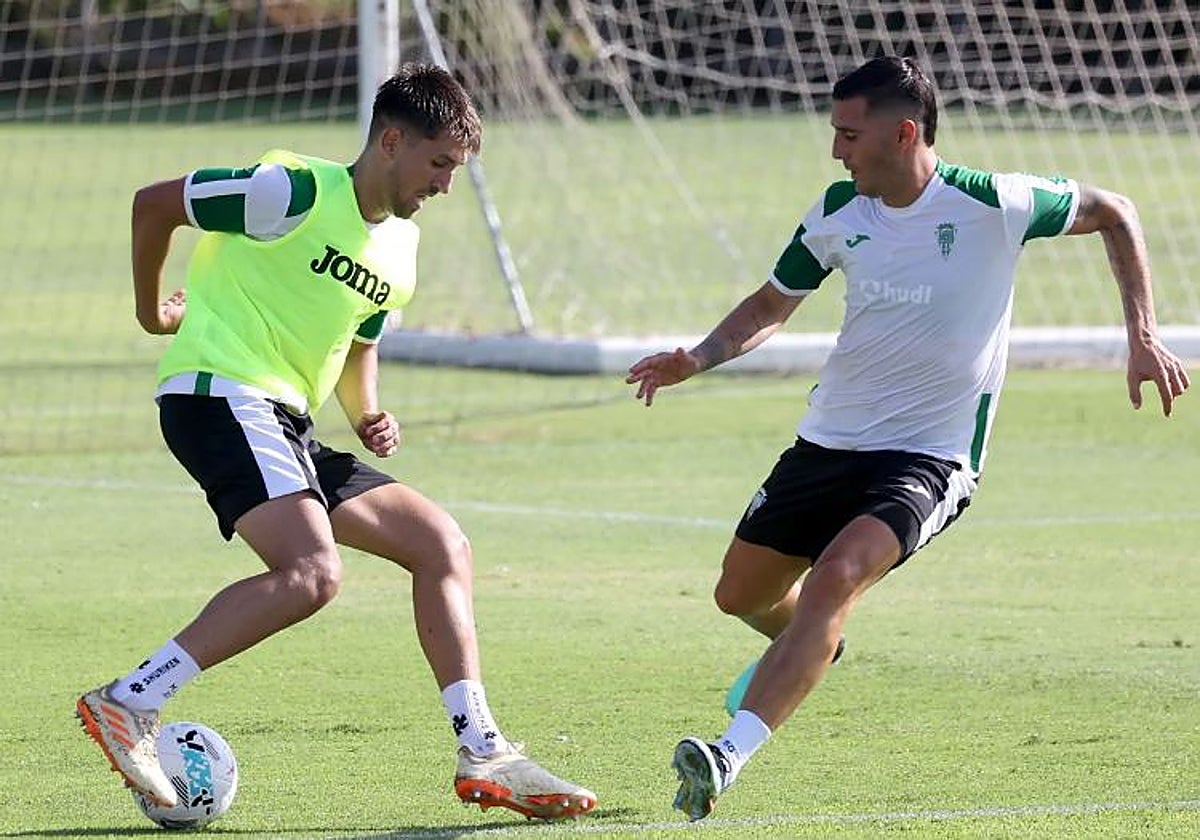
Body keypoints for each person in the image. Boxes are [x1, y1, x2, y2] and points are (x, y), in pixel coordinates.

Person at [625, 55, 1190, 821]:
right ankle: (817, 645)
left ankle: (728, 754)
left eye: (849, 135)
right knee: (740, 594)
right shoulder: (836, 211)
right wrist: (696, 357)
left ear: (904, 133)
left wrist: (1142, 336)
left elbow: (1116, 210)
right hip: (828, 442)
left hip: (932, 455)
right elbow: (770, 304)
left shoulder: (996, 202)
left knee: (836, 578)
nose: (836, 151)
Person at [75, 62, 596, 822]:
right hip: (218, 392)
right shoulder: (290, 191)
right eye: (440, 163)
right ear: (391, 140)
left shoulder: (402, 250)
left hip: (283, 419)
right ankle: (130, 701)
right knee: (313, 572)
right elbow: (154, 204)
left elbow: (359, 337)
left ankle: (484, 749)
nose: (447, 184)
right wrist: (154, 312)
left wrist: (367, 410)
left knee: (440, 544)